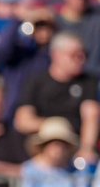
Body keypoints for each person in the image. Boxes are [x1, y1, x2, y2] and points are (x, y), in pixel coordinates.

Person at [13, 32, 100, 164]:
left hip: (74, 152)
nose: (81, 58)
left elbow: (91, 115)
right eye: (74, 55)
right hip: (41, 153)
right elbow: (22, 121)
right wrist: (58, 127)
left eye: (84, 54)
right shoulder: (36, 81)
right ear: (56, 55)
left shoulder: (88, 82)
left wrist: (86, 148)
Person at [0, 10, 55, 122]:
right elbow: (0, 50)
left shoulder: (54, 56)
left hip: (40, 115)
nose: (43, 32)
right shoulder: (21, 52)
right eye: (39, 27)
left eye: (46, 28)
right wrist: (20, 21)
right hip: (12, 113)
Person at [21, 117, 90, 187]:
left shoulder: (77, 172)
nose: (58, 149)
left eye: (63, 145)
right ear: (44, 146)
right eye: (54, 144)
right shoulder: (30, 170)